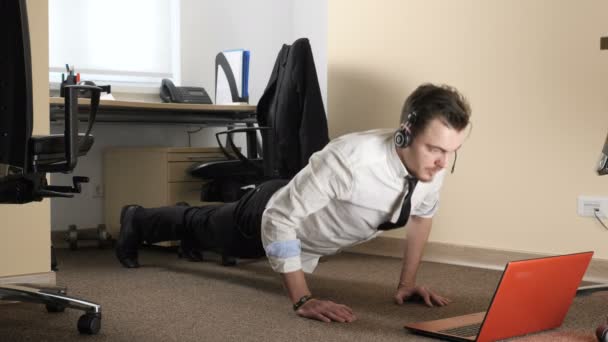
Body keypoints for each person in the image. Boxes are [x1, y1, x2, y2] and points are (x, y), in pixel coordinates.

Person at [115, 83, 472, 323]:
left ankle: (183, 227)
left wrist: (406, 282)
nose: (442, 163)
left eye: (451, 152)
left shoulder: (431, 167)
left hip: (304, 212)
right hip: (269, 211)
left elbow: (422, 216)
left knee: (206, 228)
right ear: (404, 133)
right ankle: (137, 219)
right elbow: (279, 218)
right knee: (202, 227)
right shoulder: (350, 160)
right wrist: (303, 299)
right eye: (435, 149)